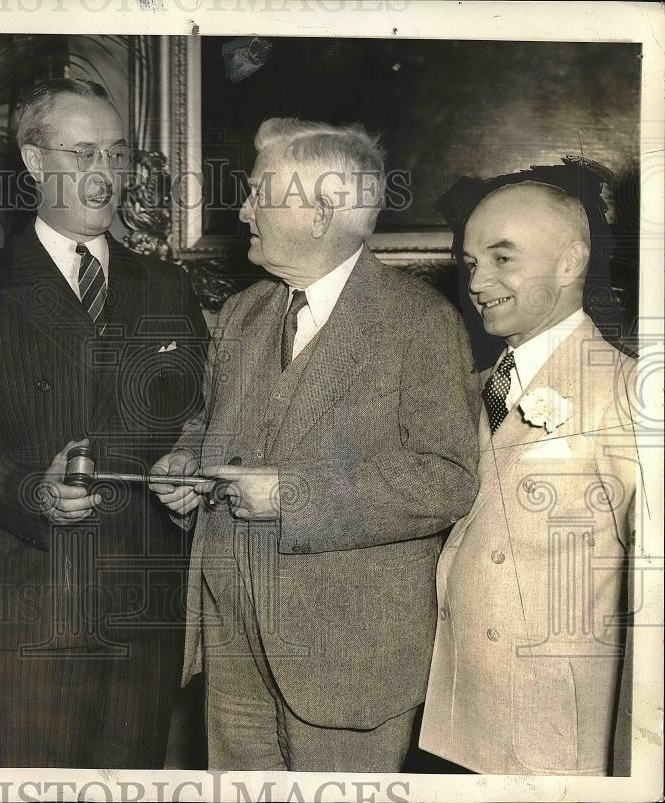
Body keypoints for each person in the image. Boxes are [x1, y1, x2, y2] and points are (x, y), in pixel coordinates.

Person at [150, 118, 480, 771]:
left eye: (257, 194)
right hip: (232, 648)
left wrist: (293, 496)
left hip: (348, 665)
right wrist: (187, 461)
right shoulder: (243, 313)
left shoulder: (420, 323)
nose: (242, 210)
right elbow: (207, 422)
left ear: (319, 213)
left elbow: (446, 478)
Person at [0, 78, 208, 767]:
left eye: (117, 154)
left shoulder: (166, 287)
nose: (106, 174)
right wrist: (34, 491)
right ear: (33, 162)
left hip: (143, 612)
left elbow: (198, 416)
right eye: (84, 154)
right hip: (32, 610)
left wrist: (188, 464)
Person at [419, 165, 640, 775]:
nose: (477, 282)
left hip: (558, 736)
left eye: (502, 259)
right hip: (457, 719)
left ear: (570, 263)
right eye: (470, 263)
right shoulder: (474, 388)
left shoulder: (626, 393)